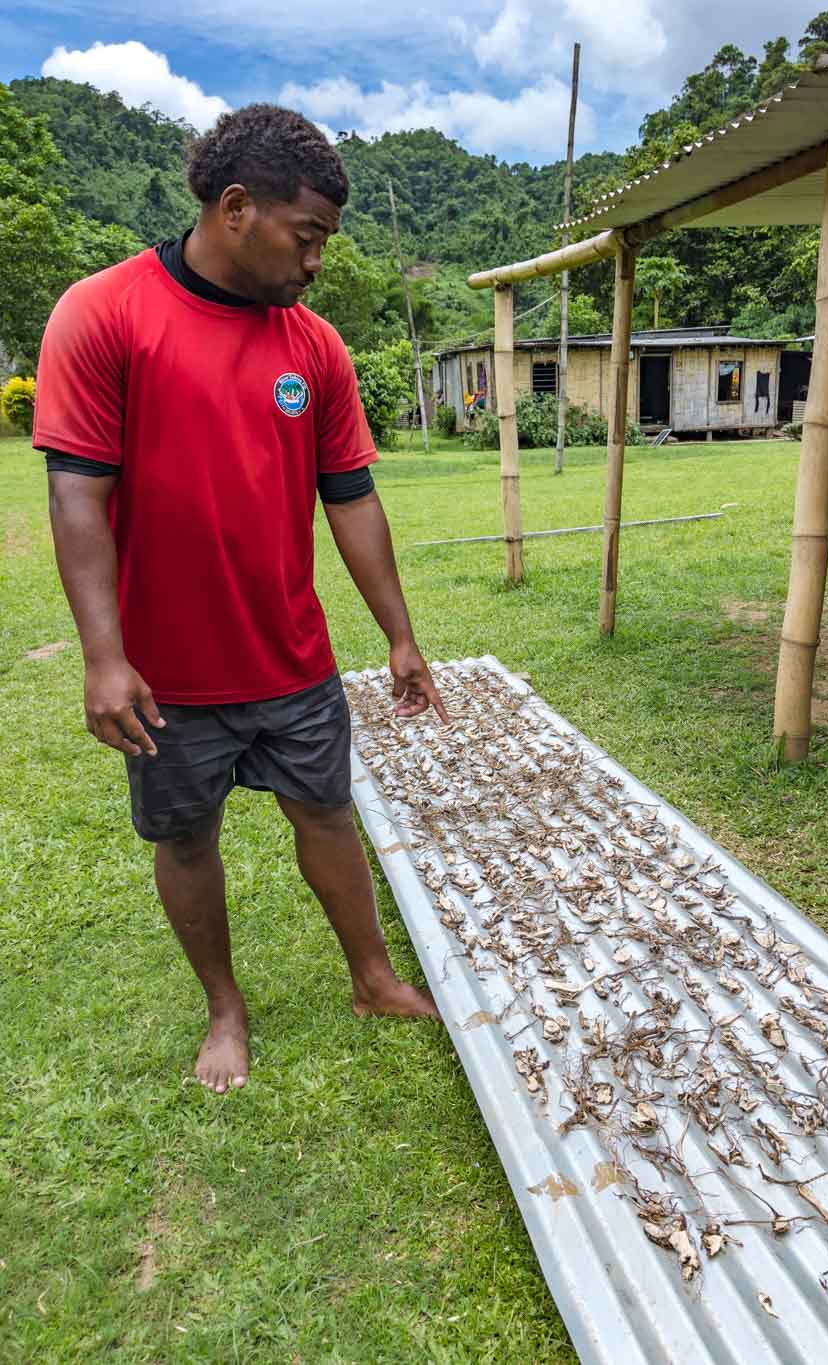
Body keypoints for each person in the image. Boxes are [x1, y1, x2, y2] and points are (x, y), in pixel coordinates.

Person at [34, 105, 450, 1096]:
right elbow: (76, 495)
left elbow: (351, 496)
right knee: (186, 838)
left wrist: (399, 636)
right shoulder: (104, 315)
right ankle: (225, 1009)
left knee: (327, 814)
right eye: (305, 238)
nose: (315, 263)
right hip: (166, 675)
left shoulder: (315, 348)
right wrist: (103, 658)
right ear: (234, 208)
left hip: (290, 656)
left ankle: (373, 979)